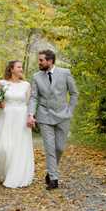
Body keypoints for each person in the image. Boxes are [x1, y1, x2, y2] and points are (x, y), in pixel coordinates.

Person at [27, 50, 79, 190]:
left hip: (63, 115)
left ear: (50, 61)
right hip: (44, 115)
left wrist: (70, 110)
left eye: (41, 60)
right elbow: (34, 97)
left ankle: (51, 171)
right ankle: (53, 179)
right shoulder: (36, 77)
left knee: (59, 148)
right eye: (39, 60)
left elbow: (74, 93)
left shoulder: (65, 73)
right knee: (49, 148)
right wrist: (31, 114)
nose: (39, 63)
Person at [0, 60, 34, 188]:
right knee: (3, 147)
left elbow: (29, 103)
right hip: (5, 117)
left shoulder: (26, 85)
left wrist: (30, 117)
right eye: (19, 67)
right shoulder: (2, 83)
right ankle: (1, 172)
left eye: (21, 67)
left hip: (20, 117)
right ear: (11, 69)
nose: (21, 69)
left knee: (18, 146)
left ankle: (15, 175)